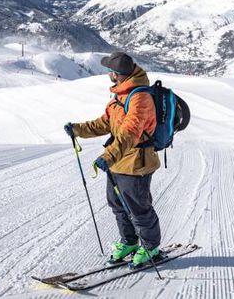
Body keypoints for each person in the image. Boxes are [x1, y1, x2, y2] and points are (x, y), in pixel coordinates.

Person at [64, 51, 162, 266]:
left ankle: (151, 247)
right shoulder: (121, 95)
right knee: (118, 205)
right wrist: (77, 129)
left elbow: (130, 133)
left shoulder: (140, 98)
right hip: (118, 162)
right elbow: (105, 123)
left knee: (138, 208)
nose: (107, 73)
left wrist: (108, 156)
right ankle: (129, 242)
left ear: (117, 74)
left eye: (110, 70)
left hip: (137, 163)